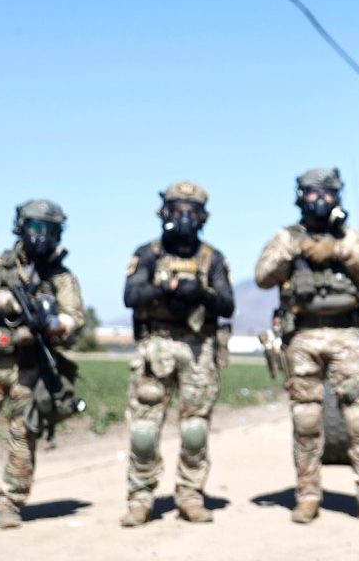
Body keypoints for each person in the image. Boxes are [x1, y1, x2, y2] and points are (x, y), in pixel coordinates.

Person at [254, 168, 359, 523]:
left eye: (328, 193)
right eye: (313, 193)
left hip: (347, 335)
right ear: (301, 197)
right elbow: (262, 276)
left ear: (338, 197)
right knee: (306, 419)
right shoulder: (287, 237)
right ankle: (307, 494)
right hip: (302, 336)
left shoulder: (350, 237)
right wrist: (294, 251)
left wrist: (339, 249)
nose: (320, 199)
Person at [0, 199, 85, 529]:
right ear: (21, 227)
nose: (41, 236)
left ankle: (10, 505)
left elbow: (75, 320)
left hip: (29, 371)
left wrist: (52, 324)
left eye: (50, 230)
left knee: (23, 440)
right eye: (35, 227)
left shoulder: (61, 278)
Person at [120, 182, 234, 526]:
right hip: (155, 347)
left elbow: (228, 303)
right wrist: (165, 288)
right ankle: (140, 498)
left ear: (202, 217)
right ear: (164, 213)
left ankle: (190, 495)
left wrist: (200, 293)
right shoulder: (148, 253)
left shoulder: (212, 258)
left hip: (198, 350)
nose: (184, 217)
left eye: (192, 211)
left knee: (195, 430)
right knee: (143, 432)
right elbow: (131, 295)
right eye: (177, 209)